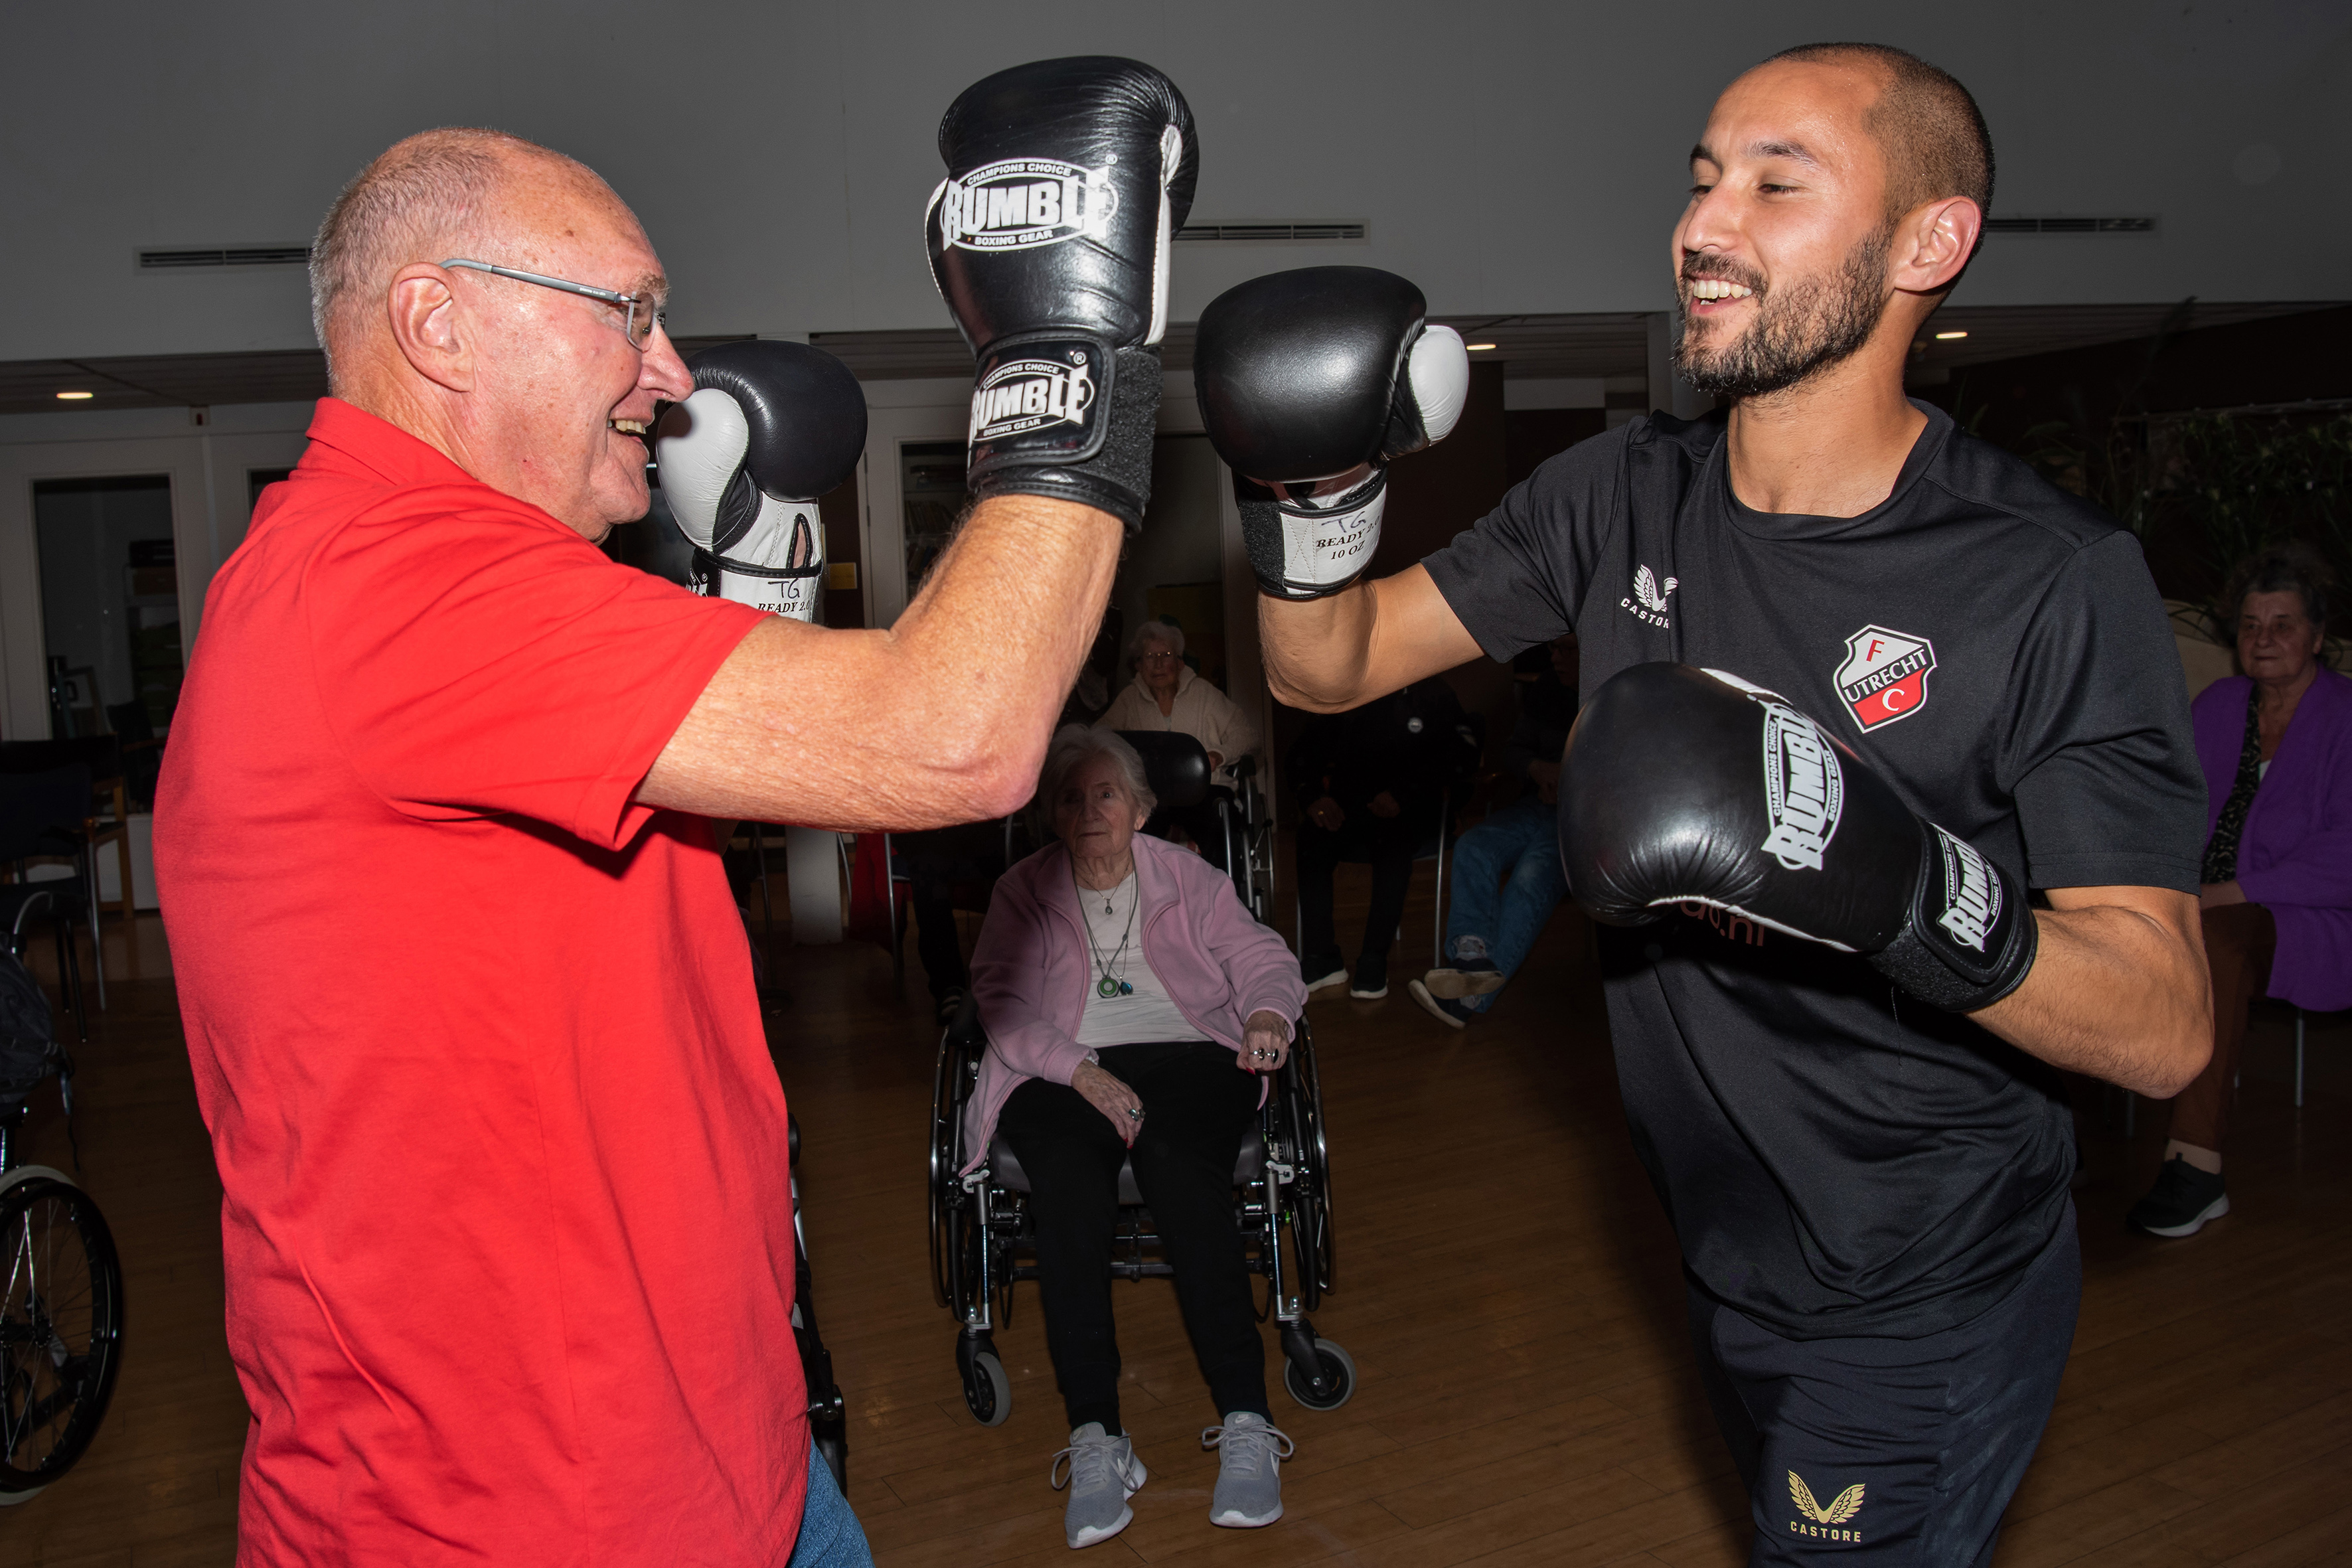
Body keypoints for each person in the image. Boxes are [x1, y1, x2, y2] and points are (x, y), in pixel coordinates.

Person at [155, 54, 1191, 1567]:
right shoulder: (396, 589)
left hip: (714, 1452)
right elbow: (954, 742)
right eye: (628, 312)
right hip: (519, 1522)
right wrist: (1070, 358)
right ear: (437, 323)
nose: (676, 372)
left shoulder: (414, 585)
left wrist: (749, 600)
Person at [1198, 44, 2211, 1565]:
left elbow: (2166, 1021)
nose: (1701, 227)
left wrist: (1903, 885)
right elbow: (1327, 665)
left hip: (1927, 1276)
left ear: (1928, 243)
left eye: (1774, 185)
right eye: (1700, 179)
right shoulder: (1619, 492)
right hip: (1723, 1241)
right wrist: (1307, 494)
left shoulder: (2046, 577)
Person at [961, 727, 1308, 1549]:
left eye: (1107, 794)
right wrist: (1078, 1069)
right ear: (1051, 814)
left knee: (1179, 1165)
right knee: (1068, 1188)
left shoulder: (1189, 877)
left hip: (1190, 1051)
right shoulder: (1022, 890)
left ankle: (1247, 1419)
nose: (1090, 811)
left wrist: (1266, 1012)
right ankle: (1096, 1436)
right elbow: (1001, 1005)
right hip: (1060, 1065)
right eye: (1071, 798)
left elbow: (1261, 956)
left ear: (1141, 810)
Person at [2133, 545, 2352, 1236]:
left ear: (2317, 637)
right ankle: (2058, 1133)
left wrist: (2231, 891)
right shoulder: (2219, 706)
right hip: (2199, 897)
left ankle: (2195, 1167)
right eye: (2252, 625)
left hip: (2308, 916)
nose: (2264, 638)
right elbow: (2167, 805)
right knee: (2094, 920)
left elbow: (2345, 851)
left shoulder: (2346, 717)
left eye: (2283, 625)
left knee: (2218, 940)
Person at [1410, 631, 1579, 1027]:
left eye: (1567, 649)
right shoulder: (1547, 689)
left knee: (1532, 875)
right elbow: (1515, 750)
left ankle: (1469, 1000)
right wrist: (1536, 769)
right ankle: (1472, 958)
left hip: (1583, 821)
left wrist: (1572, 780)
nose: (1555, 658)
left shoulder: (1610, 695)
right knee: (1474, 845)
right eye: (1552, 648)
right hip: (1537, 806)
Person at [1289, 676, 1474, 1001]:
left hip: (1411, 807)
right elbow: (1301, 755)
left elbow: (1459, 757)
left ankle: (1374, 959)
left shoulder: (1433, 692)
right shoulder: (1347, 688)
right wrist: (1314, 797)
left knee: (1394, 843)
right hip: (1350, 808)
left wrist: (1404, 795)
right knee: (1311, 838)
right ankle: (1321, 956)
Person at [1093, 621, 1261, 864]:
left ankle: (1220, 886)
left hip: (1206, 791)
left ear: (1180, 662)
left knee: (1218, 830)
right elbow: (1098, 736)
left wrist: (1217, 755)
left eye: (1167, 655)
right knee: (1130, 832)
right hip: (1151, 796)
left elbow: (1248, 736)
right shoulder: (1129, 700)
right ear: (1139, 665)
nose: (1159, 664)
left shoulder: (1205, 694)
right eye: (1150, 656)